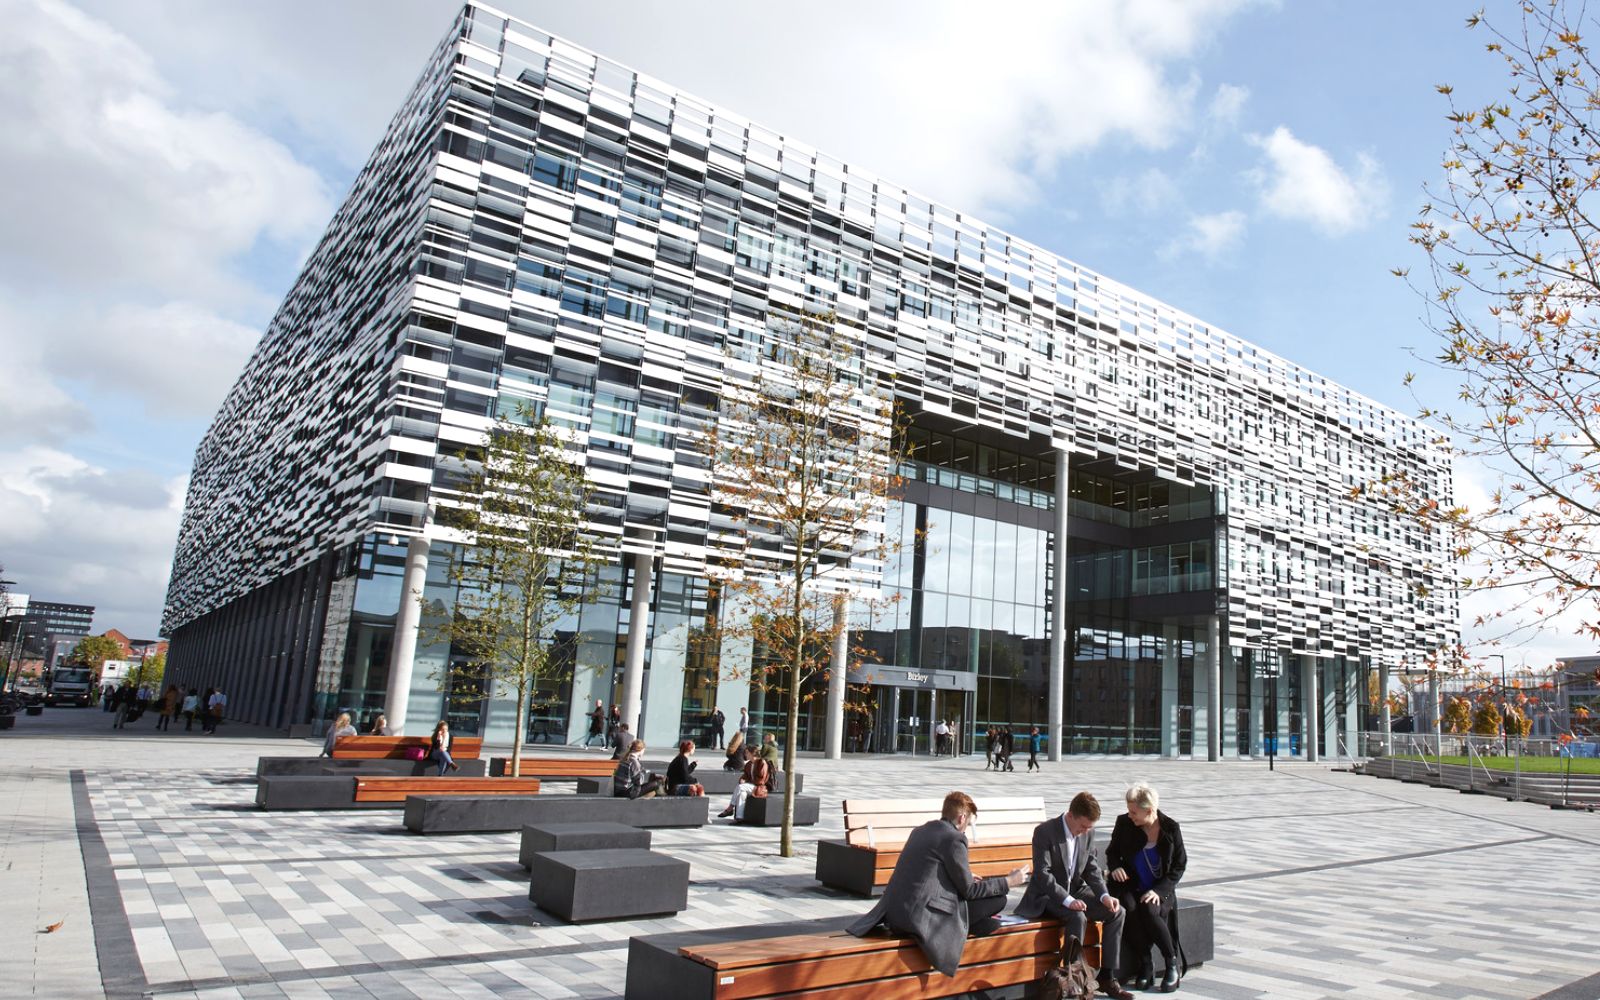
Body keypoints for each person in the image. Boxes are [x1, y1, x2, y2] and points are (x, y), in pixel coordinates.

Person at [847, 791, 1029, 977]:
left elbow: (927, 871)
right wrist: (1009, 881)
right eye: (968, 824)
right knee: (998, 899)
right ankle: (970, 925)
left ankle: (974, 924)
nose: (966, 829)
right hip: (919, 919)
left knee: (985, 902)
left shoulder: (920, 831)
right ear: (962, 818)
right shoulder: (955, 838)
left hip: (894, 915)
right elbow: (969, 890)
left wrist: (965, 875)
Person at [1014, 791, 1133, 1000]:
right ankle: (1073, 981)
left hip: (1076, 889)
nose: (1085, 831)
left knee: (1117, 911)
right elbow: (1042, 874)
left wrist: (1104, 896)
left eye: (1089, 828)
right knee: (1077, 916)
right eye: (1083, 826)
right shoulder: (1045, 832)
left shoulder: (1087, 833)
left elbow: (1091, 868)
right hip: (1047, 895)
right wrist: (1068, 900)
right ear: (1070, 815)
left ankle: (1107, 977)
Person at [1105, 782, 1188, 993]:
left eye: (1134, 812)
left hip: (1160, 888)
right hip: (1131, 885)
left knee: (1150, 909)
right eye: (1129, 810)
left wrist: (1159, 891)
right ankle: (1146, 963)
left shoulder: (1170, 828)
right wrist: (1115, 867)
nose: (1129, 815)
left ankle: (1171, 963)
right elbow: (1112, 852)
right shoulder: (1124, 823)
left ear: (1149, 810)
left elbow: (1179, 865)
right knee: (1129, 909)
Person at [718, 744, 772, 820]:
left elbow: (761, 780)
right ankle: (739, 817)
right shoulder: (748, 764)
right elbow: (745, 776)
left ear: (752, 753)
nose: (745, 754)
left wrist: (747, 781)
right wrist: (743, 779)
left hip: (759, 788)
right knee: (742, 794)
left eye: (747, 753)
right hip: (750, 787)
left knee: (740, 787)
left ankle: (730, 808)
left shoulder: (762, 763)